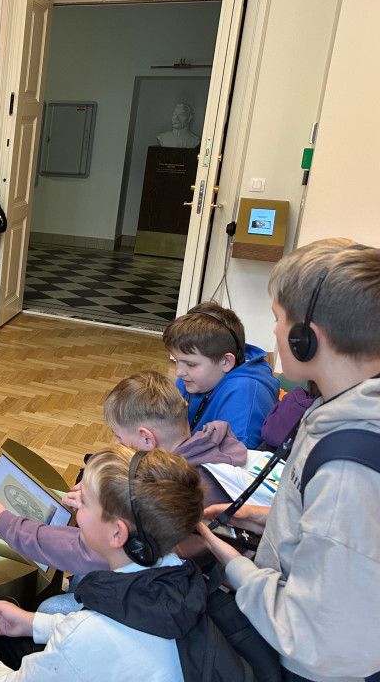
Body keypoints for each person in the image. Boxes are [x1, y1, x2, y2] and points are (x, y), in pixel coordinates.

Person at [197, 239, 380, 682]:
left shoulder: (346, 471)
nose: (275, 331)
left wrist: (233, 564)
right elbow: (337, 540)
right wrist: (275, 520)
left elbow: (317, 641)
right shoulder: (333, 408)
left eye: (278, 318)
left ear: (306, 337)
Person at [0, 446, 205, 682]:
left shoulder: (86, 635)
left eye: (84, 503)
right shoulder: (174, 566)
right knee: (0, 637)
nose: (75, 508)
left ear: (117, 533)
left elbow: (84, 638)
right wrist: (32, 622)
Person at [0, 370, 246, 583]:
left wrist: (3, 523)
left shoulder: (168, 491)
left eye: (118, 436)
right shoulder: (206, 457)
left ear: (147, 439)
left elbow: (91, 553)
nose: (116, 443)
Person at [162, 300, 279, 448]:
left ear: (226, 362)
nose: (179, 372)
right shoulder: (193, 377)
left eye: (191, 364)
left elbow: (233, 459)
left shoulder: (245, 396)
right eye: (177, 360)